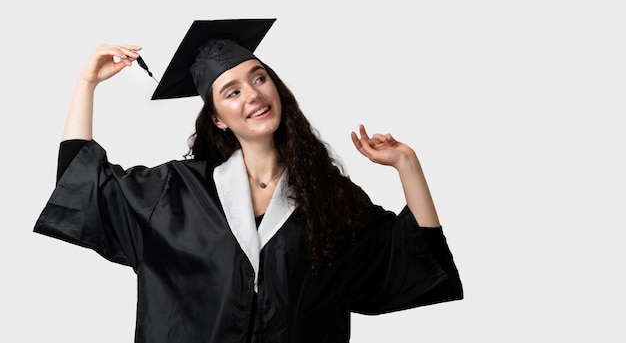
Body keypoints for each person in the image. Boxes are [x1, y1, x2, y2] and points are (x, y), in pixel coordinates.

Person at [34, 18, 463, 343]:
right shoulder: (173, 194)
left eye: (259, 78)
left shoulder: (327, 197)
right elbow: (82, 182)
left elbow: (411, 258)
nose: (253, 94)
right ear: (217, 119)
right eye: (232, 91)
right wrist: (86, 83)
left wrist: (408, 165)